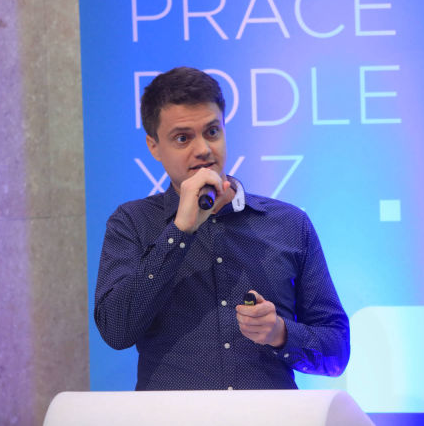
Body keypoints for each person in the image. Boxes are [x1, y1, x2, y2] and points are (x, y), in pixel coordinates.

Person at [94, 66, 350, 390]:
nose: (203, 149)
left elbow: (336, 352)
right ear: (154, 146)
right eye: (183, 138)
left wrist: (280, 333)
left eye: (212, 131)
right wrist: (179, 231)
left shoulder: (289, 224)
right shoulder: (132, 223)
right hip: (172, 415)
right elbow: (116, 330)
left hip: (270, 415)